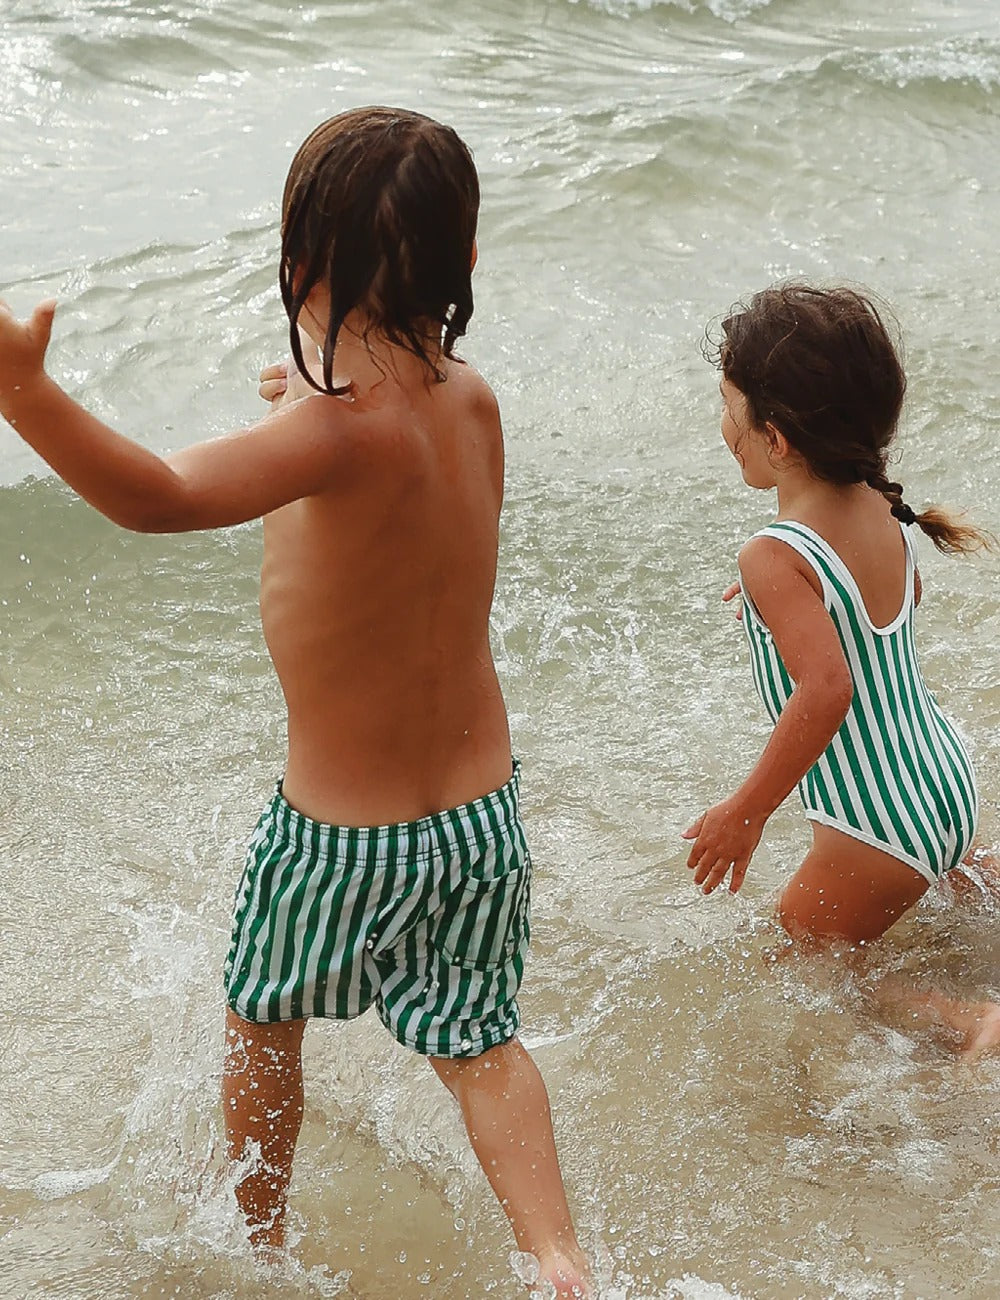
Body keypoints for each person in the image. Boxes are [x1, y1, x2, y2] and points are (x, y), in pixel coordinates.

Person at [0, 105, 590, 1296]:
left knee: (262, 1019)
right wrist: (302, 412)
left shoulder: (329, 431)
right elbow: (391, 496)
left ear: (296, 264)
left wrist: (25, 394)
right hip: (479, 819)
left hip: (337, 835)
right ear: (463, 263)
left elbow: (157, 496)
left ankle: (255, 1243)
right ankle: (561, 1259)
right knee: (479, 1043)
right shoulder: (467, 402)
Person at [682, 282, 1000, 1059]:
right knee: (903, 909)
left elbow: (828, 690)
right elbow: (894, 596)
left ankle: (971, 1023)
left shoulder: (772, 554)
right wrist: (789, 597)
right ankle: (961, 879)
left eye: (730, 409)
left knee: (799, 974)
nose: (724, 429)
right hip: (940, 778)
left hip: (875, 823)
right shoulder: (880, 507)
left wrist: (745, 811)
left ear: (777, 438)